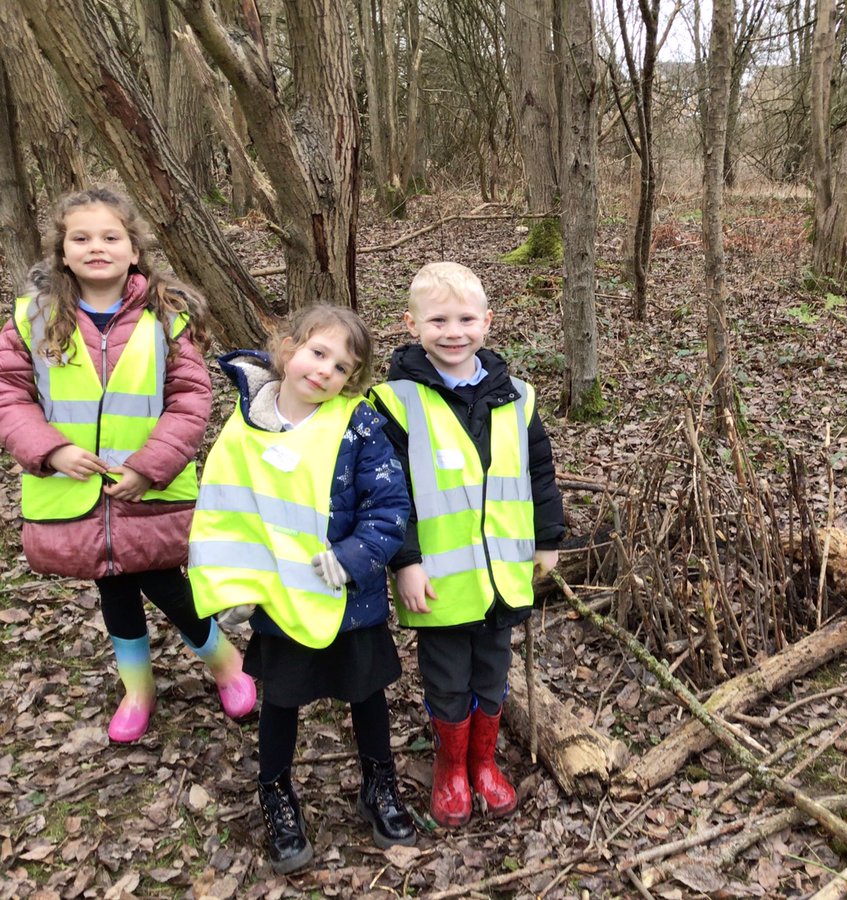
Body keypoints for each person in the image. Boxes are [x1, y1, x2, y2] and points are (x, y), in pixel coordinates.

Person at [0, 186, 255, 745]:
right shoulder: (32, 319)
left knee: (166, 580)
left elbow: (190, 398)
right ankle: (137, 689)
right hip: (72, 490)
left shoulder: (166, 317)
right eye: (81, 238)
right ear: (61, 252)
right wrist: (51, 450)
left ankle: (226, 664)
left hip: (149, 489)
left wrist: (152, 464)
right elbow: (9, 395)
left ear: (134, 250)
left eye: (111, 237)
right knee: (112, 585)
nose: (97, 247)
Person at [188, 305, 416, 874]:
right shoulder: (243, 428)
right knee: (281, 701)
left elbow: (389, 506)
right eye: (318, 353)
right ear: (288, 350)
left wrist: (354, 557)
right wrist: (232, 588)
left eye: (342, 366)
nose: (325, 371)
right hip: (280, 600)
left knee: (367, 695)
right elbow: (224, 512)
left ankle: (378, 783)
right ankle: (276, 792)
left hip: (347, 598)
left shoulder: (359, 425)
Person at [370, 261, 565, 828]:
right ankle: (451, 767)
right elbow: (390, 493)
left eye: (465, 319)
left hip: (502, 574)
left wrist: (548, 538)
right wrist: (405, 561)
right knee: (447, 678)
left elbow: (539, 472)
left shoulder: (517, 396)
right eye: (437, 320)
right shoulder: (395, 403)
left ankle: (483, 762)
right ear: (412, 324)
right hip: (439, 581)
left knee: (492, 673)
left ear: (487, 321)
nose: (452, 332)